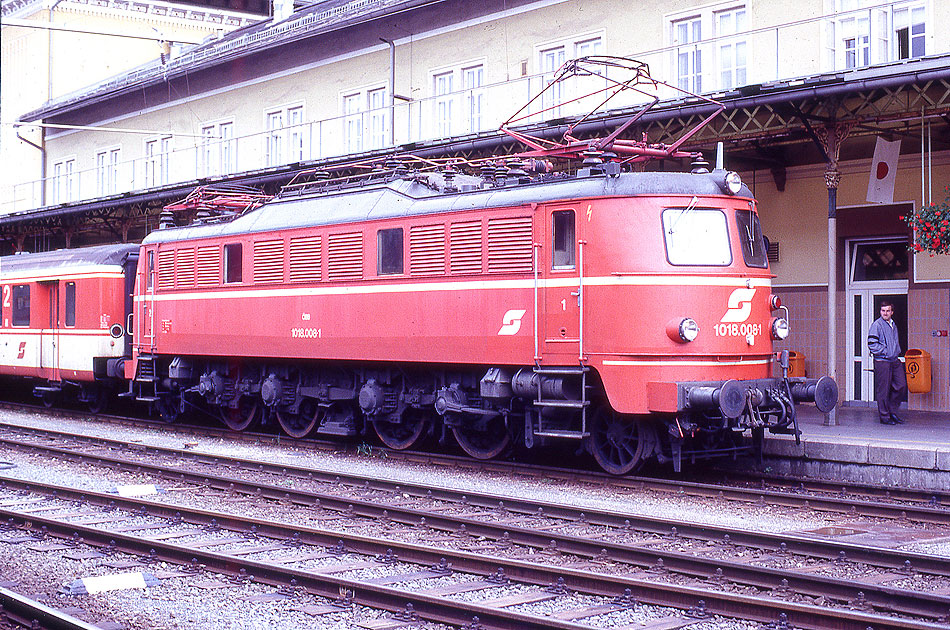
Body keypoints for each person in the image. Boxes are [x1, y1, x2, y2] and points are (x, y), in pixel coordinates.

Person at [867, 300, 907, 425]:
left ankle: (892, 411)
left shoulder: (893, 325)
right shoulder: (876, 325)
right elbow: (872, 344)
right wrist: (886, 352)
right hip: (882, 361)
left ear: (892, 312)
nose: (885, 313)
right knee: (883, 390)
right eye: (883, 310)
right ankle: (885, 417)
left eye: (888, 311)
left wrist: (894, 352)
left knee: (901, 385)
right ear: (880, 311)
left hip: (894, 360)